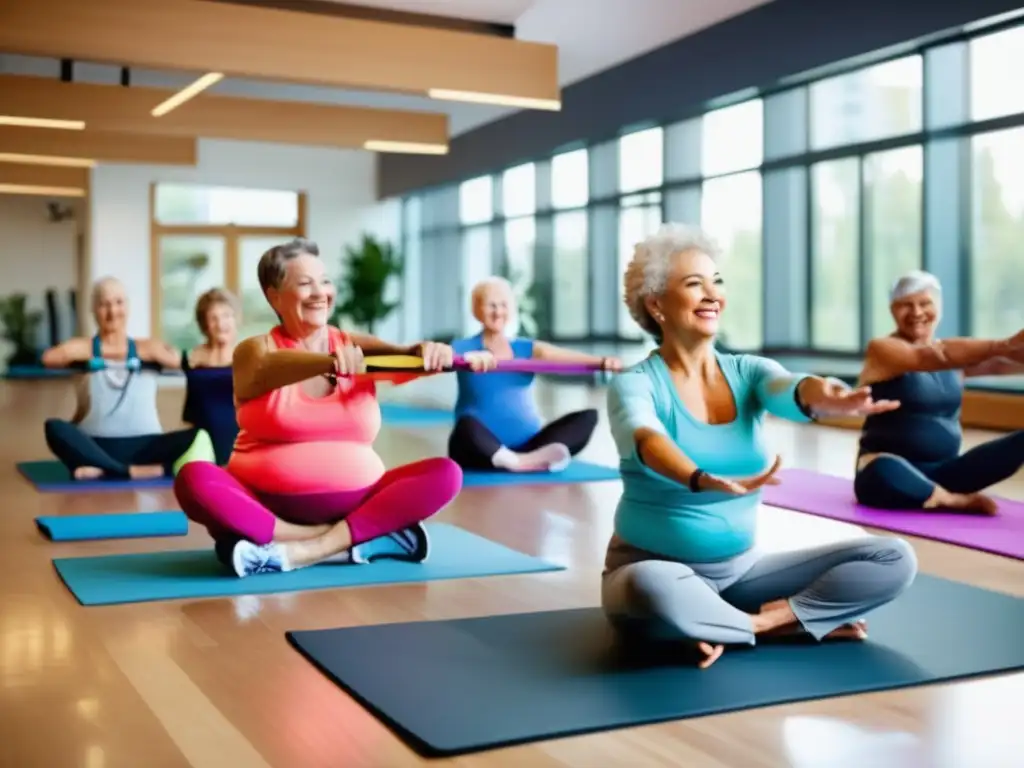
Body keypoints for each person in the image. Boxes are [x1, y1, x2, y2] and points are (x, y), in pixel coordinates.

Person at [601, 223, 918, 670]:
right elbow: (646, 439)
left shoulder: (748, 372)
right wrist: (700, 478)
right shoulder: (633, 385)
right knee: (650, 588)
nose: (713, 294)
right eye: (695, 284)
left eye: (717, 282)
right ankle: (771, 624)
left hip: (741, 572)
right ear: (656, 305)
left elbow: (789, 387)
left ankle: (755, 624)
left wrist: (831, 396)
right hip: (652, 568)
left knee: (893, 558)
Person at [173, 237, 487, 578]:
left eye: (324, 281)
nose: (320, 292)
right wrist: (328, 361)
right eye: (305, 284)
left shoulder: (356, 346)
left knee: (446, 474)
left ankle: (299, 551)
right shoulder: (254, 351)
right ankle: (344, 540)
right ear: (273, 295)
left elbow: (410, 356)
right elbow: (268, 367)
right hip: (265, 504)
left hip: (359, 499)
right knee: (194, 478)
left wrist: (442, 354)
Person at [853, 270, 1024, 515]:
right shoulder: (882, 350)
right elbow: (924, 357)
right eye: (905, 305)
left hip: (947, 473)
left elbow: (1002, 363)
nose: (917, 312)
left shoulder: (957, 360)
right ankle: (951, 501)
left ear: (940, 307)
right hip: (890, 474)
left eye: (925, 303)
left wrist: (1014, 350)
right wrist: (1004, 344)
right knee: (880, 467)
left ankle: (940, 492)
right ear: (892, 309)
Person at [41, 277, 214, 481]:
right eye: (104, 304)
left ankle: (104, 470)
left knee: (196, 435)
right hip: (96, 445)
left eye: (118, 302)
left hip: (146, 445)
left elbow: (179, 360)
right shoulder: (84, 347)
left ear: (128, 307)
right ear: (94, 309)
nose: (112, 311)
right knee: (54, 428)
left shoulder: (148, 346)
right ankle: (128, 471)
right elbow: (49, 358)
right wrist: (115, 353)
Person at [447, 276, 623, 473]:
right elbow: (438, 359)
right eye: (491, 305)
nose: (498, 312)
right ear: (477, 310)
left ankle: (523, 459)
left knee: (588, 417)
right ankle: (513, 461)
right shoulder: (462, 347)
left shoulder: (525, 347)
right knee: (465, 427)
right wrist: (465, 358)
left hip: (530, 445)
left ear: (512, 309)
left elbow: (555, 355)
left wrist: (601, 362)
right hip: (480, 448)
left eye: (504, 305)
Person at [180, 288, 241, 465]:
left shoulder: (247, 356)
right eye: (214, 318)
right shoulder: (192, 358)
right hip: (201, 441)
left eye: (227, 316)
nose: (221, 323)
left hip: (241, 440)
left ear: (235, 319)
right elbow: (190, 410)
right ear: (204, 324)